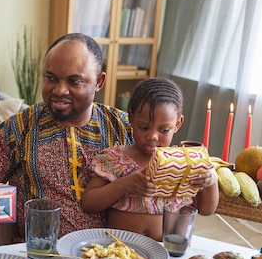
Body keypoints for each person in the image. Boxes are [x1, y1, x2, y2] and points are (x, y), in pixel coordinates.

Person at [0, 33, 134, 245]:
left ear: (99, 81)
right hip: (35, 256)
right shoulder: (18, 128)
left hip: (107, 257)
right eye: (51, 78)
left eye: (74, 81)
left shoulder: (125, 129)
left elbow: (162, 183)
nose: (59, 90)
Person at [81, 77, 218, 241]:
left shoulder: (183, 164)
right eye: (144, 127)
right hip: (120, 250)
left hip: (167, 251)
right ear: (130, 117)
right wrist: (124, 184)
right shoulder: (114, 159)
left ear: (178, 124)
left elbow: (206, 210)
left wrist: (211, 181)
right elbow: (89, 204)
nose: (152, 136)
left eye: (164, 129)